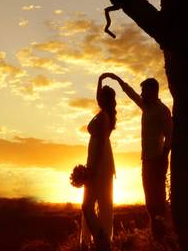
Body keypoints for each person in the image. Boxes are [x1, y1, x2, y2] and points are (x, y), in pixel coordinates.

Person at [101, 72, 172, 240]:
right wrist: (117, 79)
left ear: (153, 91)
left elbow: (170, 135)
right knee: (149, 201)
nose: (141, 95)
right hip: (146, 159)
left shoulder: (163, 110)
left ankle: (163, 236)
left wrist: (164, 157)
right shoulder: (145, 107)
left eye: (144, 92)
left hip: (158, 159)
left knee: (158, 200)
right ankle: (157, 235)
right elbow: (131, 93)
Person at [81, 78, 116, 251]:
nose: (98, 98)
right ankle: (100, 239)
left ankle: (101, 238)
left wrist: (93, 169)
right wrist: (101, 79)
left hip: (99, 163)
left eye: (101, 96)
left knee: (88, 205)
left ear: (105, 99)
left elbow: (101, 144)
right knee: (90, 204)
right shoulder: (103, 113)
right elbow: (97, 96)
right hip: (96, 161)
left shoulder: (103, 117)